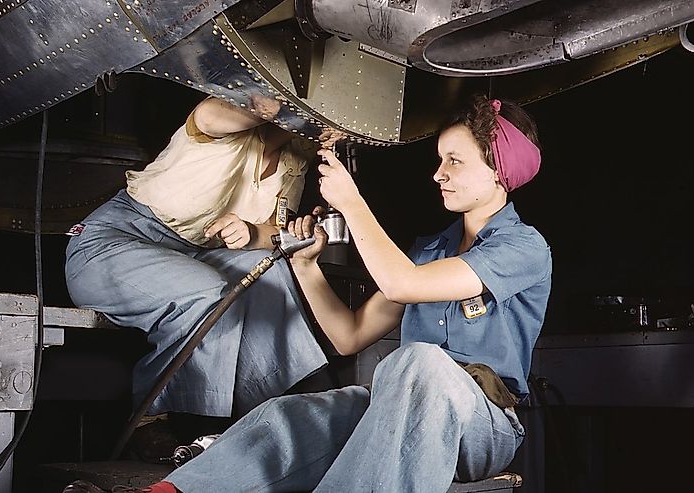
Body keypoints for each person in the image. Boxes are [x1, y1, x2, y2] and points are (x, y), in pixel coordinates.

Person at [148, 93, 552, 492]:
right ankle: (177, 490)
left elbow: (402, 284)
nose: (438, 174)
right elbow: (349, 336)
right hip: (395, 408)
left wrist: (352, 203)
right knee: (296, 415)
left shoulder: (523, 249)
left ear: (498, 170)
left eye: (455, 161)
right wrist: (306, 266)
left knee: (421, 361)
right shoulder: (428, 252)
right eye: (440, 159)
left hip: (482, 426)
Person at [64, 95, 333, 431]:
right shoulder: (221, 121)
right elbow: (211, 116)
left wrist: (251, 232)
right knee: (206, 291)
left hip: (191, 255)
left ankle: (268, 419)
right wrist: (281, 108)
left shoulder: (296, 158)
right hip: (114, 243)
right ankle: (154, 421)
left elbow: (274, 231)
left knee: (270, 268)